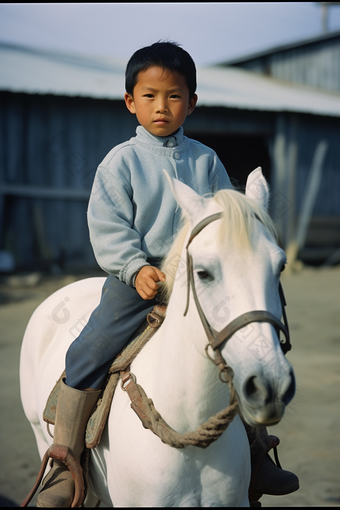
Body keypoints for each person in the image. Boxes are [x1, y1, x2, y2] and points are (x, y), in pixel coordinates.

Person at [36, 41, 298, 507]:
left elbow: (228, 222)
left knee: (245, 346)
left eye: (174, 96)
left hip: (199, 279)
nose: (162, 107)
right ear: (130, 102)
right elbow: (109, 226)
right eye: (150, 96)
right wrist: (135, 267)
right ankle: (64, 461)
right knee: (89, 349)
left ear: (191, 102)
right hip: (139, 282)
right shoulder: (120, 163)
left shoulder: (207, 161)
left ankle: (256, 454)